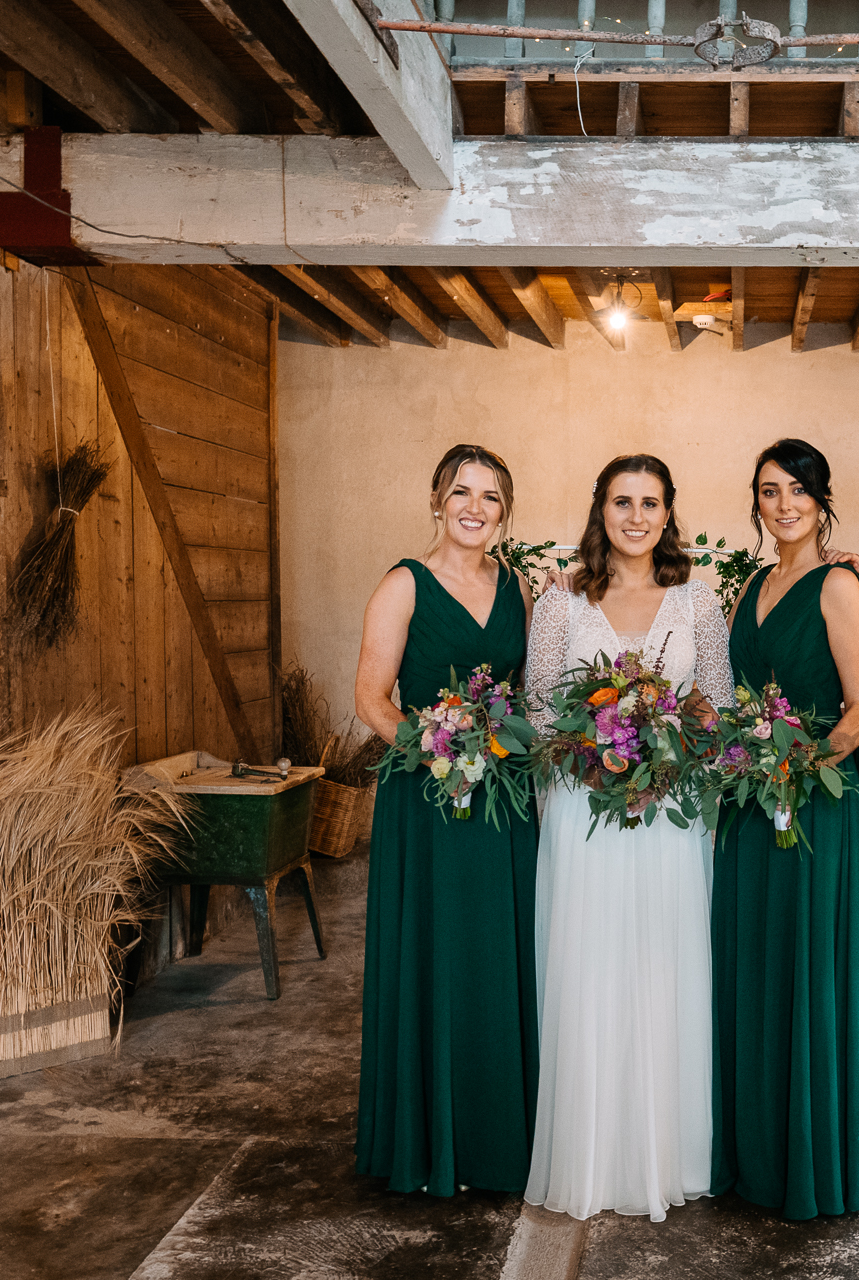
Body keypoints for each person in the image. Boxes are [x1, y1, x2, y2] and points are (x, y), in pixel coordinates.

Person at [523, 454, 736, 1222]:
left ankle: (671, 1151)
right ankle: (593, 1153)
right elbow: (540, 709)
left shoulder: (699, 603)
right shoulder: (561, 603)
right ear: (600, 509)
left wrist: (666, 751)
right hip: (587, 815)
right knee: (591, 968)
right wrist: (596, 759)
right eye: (622, 501)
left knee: (662, 968)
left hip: (668, 819)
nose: (636, 517)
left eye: (651, 503)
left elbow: (718, 707)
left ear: (670, 511)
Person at [353, 444, 539, 1195]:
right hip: (431, 800)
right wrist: (442, 749)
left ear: (504, 512)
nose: (475, 507)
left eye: (491, 497)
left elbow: (527, 690)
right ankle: (431, 1138)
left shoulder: (518, 586)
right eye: (462, 492)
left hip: (503, 803)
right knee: (438, 952)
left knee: (498, 955)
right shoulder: (403, 584)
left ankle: (501, 1136)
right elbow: (370, 701)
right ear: (437, 500)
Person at [710, 439, 859, 1220]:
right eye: (769, 491)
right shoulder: (752, 583)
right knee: (754, 967)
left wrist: (799, 766)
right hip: (752, 805)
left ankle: (809, 1158)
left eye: (798, 491)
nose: (783, 505)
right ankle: (754, 1149)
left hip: (811, 802)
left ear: (822, 499)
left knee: (807, 971)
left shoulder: (840, 586)